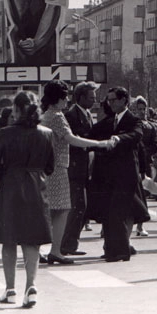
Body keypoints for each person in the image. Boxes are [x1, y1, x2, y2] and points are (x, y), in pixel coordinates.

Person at [0, 91, 53, 308]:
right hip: (36, 186)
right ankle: (30, 287)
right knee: (32, 239)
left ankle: (10, 288)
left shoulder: (5, 133)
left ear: (15, 110)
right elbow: (49, 166)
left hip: (11, 186)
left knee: (9, 238)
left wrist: (4, 178)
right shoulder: (46, 133)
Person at [40, 80, 110, 264]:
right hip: (59, 167)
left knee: (50, 210)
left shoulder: (46, 115)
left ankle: (44, 249)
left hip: (48, 166)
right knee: (62, 209)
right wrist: (99, 144)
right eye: (65, 96)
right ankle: (56, 250)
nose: (67, 101)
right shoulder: (57, 116)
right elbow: (71, 139)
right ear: (59, 98)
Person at [90, 86, 149, 262]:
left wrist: (118, 139)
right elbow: (93, 134)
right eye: (109, 100)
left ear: (124, 100)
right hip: (108, 175)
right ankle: (111, 249)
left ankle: (121, 251)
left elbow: (136, 136)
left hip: (126, 174)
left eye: (114, 99)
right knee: (109, 213)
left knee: (120, 213)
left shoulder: (133, 120)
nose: (111, 103)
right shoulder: (110, 121)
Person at [61, 81, 98, 256]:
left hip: (85, 168)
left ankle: (70, 243)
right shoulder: (72, 116)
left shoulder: (88, 114)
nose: (94, 100)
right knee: (76, 206)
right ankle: (66, 244)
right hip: (75, 168)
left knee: (82, 207)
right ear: (81, 97)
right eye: (91, 97)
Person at [133, 96, 157, 237]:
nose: (142, 112)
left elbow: (155, 144)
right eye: (139, 109)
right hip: (130, 163)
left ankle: (140, 226)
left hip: (144, 163)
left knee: (143, 195)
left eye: (144, 109)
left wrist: (144, 154)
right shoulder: (130, 124)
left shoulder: (151, 126)